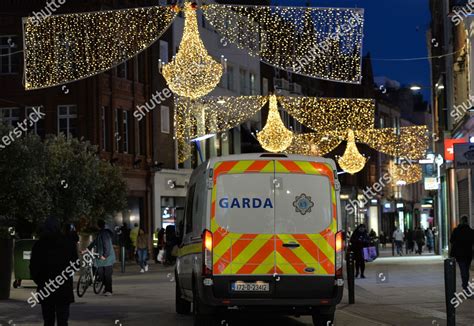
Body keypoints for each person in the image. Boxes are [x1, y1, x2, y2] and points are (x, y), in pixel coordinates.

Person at [30, 217, 78, 326]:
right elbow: (76, 265)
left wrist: (40, 281)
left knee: (48, 320)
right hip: (63, 287)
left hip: (46, 287)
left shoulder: (39, 245)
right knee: (63, 320)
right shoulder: (68, 243)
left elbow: (33, 267)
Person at [87, 220, 116, 296]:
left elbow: (107, 245)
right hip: (101, 257)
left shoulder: (104, 234)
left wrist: (105, 255)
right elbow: (95, 242)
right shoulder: (100, 233)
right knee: (101, 273)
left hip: (107, 258)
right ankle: (106, 288)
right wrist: (86, 249)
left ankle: (109, 290)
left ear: (98, 225)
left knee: (107, 274)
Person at [450, 215, 474, 291]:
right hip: (468, 254)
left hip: (459, 254)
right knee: (466, 270)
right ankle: (465, 285)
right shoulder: (471, 231)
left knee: (463, 270)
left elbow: (451, 240)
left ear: (461, 221)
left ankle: (465, 285)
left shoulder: (456, 230)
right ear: (467, 221)